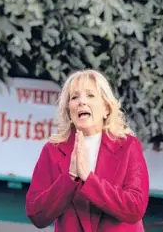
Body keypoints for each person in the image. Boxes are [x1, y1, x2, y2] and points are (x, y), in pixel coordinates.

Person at [25, 69, 149, 232]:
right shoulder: (52, 150)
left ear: (106, 108)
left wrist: (89, 180)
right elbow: (36, 214)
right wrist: (69, 179)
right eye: (74, 97)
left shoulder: (128, 146)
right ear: (69, 111)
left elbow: (135, 207)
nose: (81, 102)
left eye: (90, 95)